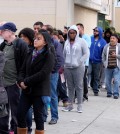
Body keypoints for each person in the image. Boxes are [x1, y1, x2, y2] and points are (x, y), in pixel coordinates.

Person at [17, 30, 55, 134]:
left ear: (45, 42)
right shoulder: (30, 52)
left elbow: (43, 73)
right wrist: (20, 81)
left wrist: (26, 82)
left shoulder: (49, 55)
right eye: (35, 38)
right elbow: (22, 69)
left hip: (40, 90)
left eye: (39, 39)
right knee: (20, 114)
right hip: (26, 90)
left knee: (39, 118)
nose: (35, 40)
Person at [0, 22, 28, 134]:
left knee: (15, 109)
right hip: (3, 83)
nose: (1, 32)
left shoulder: (20, 44)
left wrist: (20, 80)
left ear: (11, 32)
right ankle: (3, 130)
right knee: (3, 109)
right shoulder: (3, 45)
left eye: (3, 30)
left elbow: (25, 64)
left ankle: (16, 129)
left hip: (14, 83)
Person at [62, 25, 89, 113]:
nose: (72, 34)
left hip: (78, 67)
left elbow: (86, 54)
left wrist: (79, 61)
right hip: (68, 67)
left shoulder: (82, 41)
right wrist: (64, 64)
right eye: (70, 33)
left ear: (76, 33)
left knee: (79, 86)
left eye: (74, 33)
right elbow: (64, 54)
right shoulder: (66, 42)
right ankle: (70, 105)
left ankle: (80, 105)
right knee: (69, 87)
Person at [18, 27, 35, 134]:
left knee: (28, 108)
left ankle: (28, 128)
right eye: (21, 37)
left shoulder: (32, 50)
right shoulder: (20, 47)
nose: (22, 39)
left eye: (24, 37)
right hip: (21, 80)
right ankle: (23, 128)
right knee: (22, 108)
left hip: (30, 81)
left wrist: (26, 81)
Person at [89, 27, 107, 96]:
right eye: (94, 31)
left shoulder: (103, 42)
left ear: (99, 32)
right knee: (89, 73)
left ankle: (95, 90)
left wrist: (103, 61)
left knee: (96, 76)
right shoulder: (90, 39)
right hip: (90, 60)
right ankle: (92, 85)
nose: (94, 32)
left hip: (98, 61)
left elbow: (104, 52)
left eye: (96, 31)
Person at [102, 34, 120, 99]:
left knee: (117, 81)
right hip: (108, 67)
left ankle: (116, 94)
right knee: (107, 81)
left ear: (117, 40)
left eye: (113, 38)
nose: (111, 39)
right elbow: (103, 55)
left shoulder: (119, 46)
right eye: (111, 38)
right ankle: (109, 93)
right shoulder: (106, 46)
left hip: (116, 67)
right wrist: (104, 63)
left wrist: (116, 55)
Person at [76, 23, 91, 101]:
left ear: (82, 29)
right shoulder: (75, 37)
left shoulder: (86, 37)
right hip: (75, 62)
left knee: (82, 78)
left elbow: (86, 47)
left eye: (78, 28)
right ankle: (76, 95)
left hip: (84, 62)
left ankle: (84, 95)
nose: (77, 30)